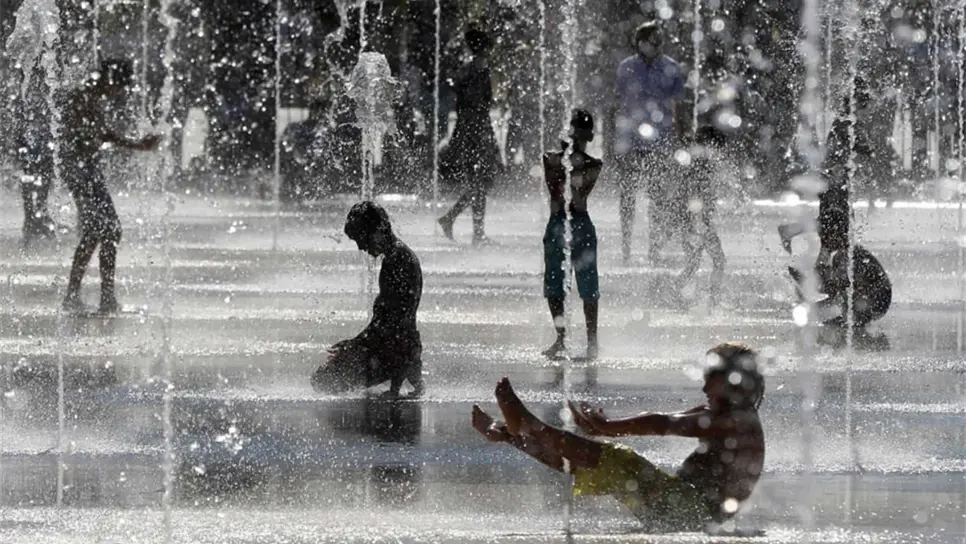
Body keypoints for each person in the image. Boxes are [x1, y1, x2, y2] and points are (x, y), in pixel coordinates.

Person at [472, 342, 765, 532]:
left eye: (709, 378)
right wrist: (601, 428)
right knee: (593, 464)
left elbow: (664, 423)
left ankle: (526, 426)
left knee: (619, 459)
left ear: (731, 378)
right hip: (685, 511)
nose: (703, 388)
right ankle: (512, 435)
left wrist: (609, 427)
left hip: (693, 517)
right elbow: (667, 420)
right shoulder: (724, 413)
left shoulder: (736, 420)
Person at [60, 59, 162, 315]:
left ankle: (98, 297)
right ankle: (88, 297)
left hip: (87, 171)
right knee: (106, 229)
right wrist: (137, 145)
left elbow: (102, 134)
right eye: (121, 86)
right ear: (110, 80)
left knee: (103, 231)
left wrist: (138, 145)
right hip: (80, 172)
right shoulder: (82, 98)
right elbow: (82, 138)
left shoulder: (90, 97)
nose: (121, 92)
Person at [311, 201, 425, 397]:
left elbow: (396, 322)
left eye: (361, 238)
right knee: (325, 376)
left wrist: (357, 345)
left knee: (324, 380)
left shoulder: (397, 261)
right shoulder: (397, 256)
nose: (361, 247)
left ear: (377, 230)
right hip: (397, 347)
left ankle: (403, 372)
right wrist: (357, 344)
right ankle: (408, 371)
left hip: (394, 351)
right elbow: (392, 319)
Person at [613, 20, 686, 264]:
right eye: (653, 42)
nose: (659, 46)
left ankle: (654, 249)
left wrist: (679, 139)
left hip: (660, 140)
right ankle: (626, 249)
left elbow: (678, 107)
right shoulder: (626, 68)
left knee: (657, 198)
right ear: (640, 43)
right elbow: (619, 104)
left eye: (661, 41)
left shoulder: (672, 68)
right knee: (627, 196)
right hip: (631, 141)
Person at [541, 109, 603, 360]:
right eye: (573, 130)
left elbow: (577, 198)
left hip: (579, 225)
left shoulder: (595, 164)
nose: (576, 135)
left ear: (588, 135)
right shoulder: (549, 158)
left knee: (588, 285)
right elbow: (556, 189)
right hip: (558, 224)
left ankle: (592, 341)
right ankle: (562, 338)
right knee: (554, 284)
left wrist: (571, 161)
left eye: (581, 131)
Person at [437, 26, 500, 246]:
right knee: (479, 184)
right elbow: (478, 103)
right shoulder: (475, 69)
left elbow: (469, 100)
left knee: (480, 183)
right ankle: (472, 230)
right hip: (474, 133)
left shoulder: (469, 70)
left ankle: (460, 223)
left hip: (473, 131)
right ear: (482, 49)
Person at [673, 126, 727, 308]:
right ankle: (713, 300)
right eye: (718, 148)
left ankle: (677, 293)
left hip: (695, 222)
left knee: (694, 263)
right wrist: (699, 224)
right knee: (718, 261)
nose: (720, 153)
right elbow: (694, 197)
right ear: (710, 145)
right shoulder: (701, 168)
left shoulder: (696, 165)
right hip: (698, 223)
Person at [17, 59, 58, 246]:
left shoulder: (37, 96)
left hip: (39, 147)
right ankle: (32, 219)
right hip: (32, 147)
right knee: (32, 183)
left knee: (41, 182)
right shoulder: (28, 95)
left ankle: (37, 217)